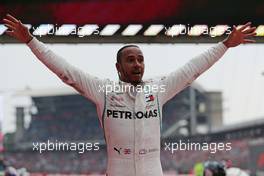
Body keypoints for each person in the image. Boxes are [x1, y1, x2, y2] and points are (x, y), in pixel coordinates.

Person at [3, 14, 256, 176]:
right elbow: (66, 72)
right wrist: (31, 41)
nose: (137, 64)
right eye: (131, 60)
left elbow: (191, 70)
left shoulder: (158, 90)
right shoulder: (103, 91)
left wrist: (224, 44)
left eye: (141, 60)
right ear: (118, 67)